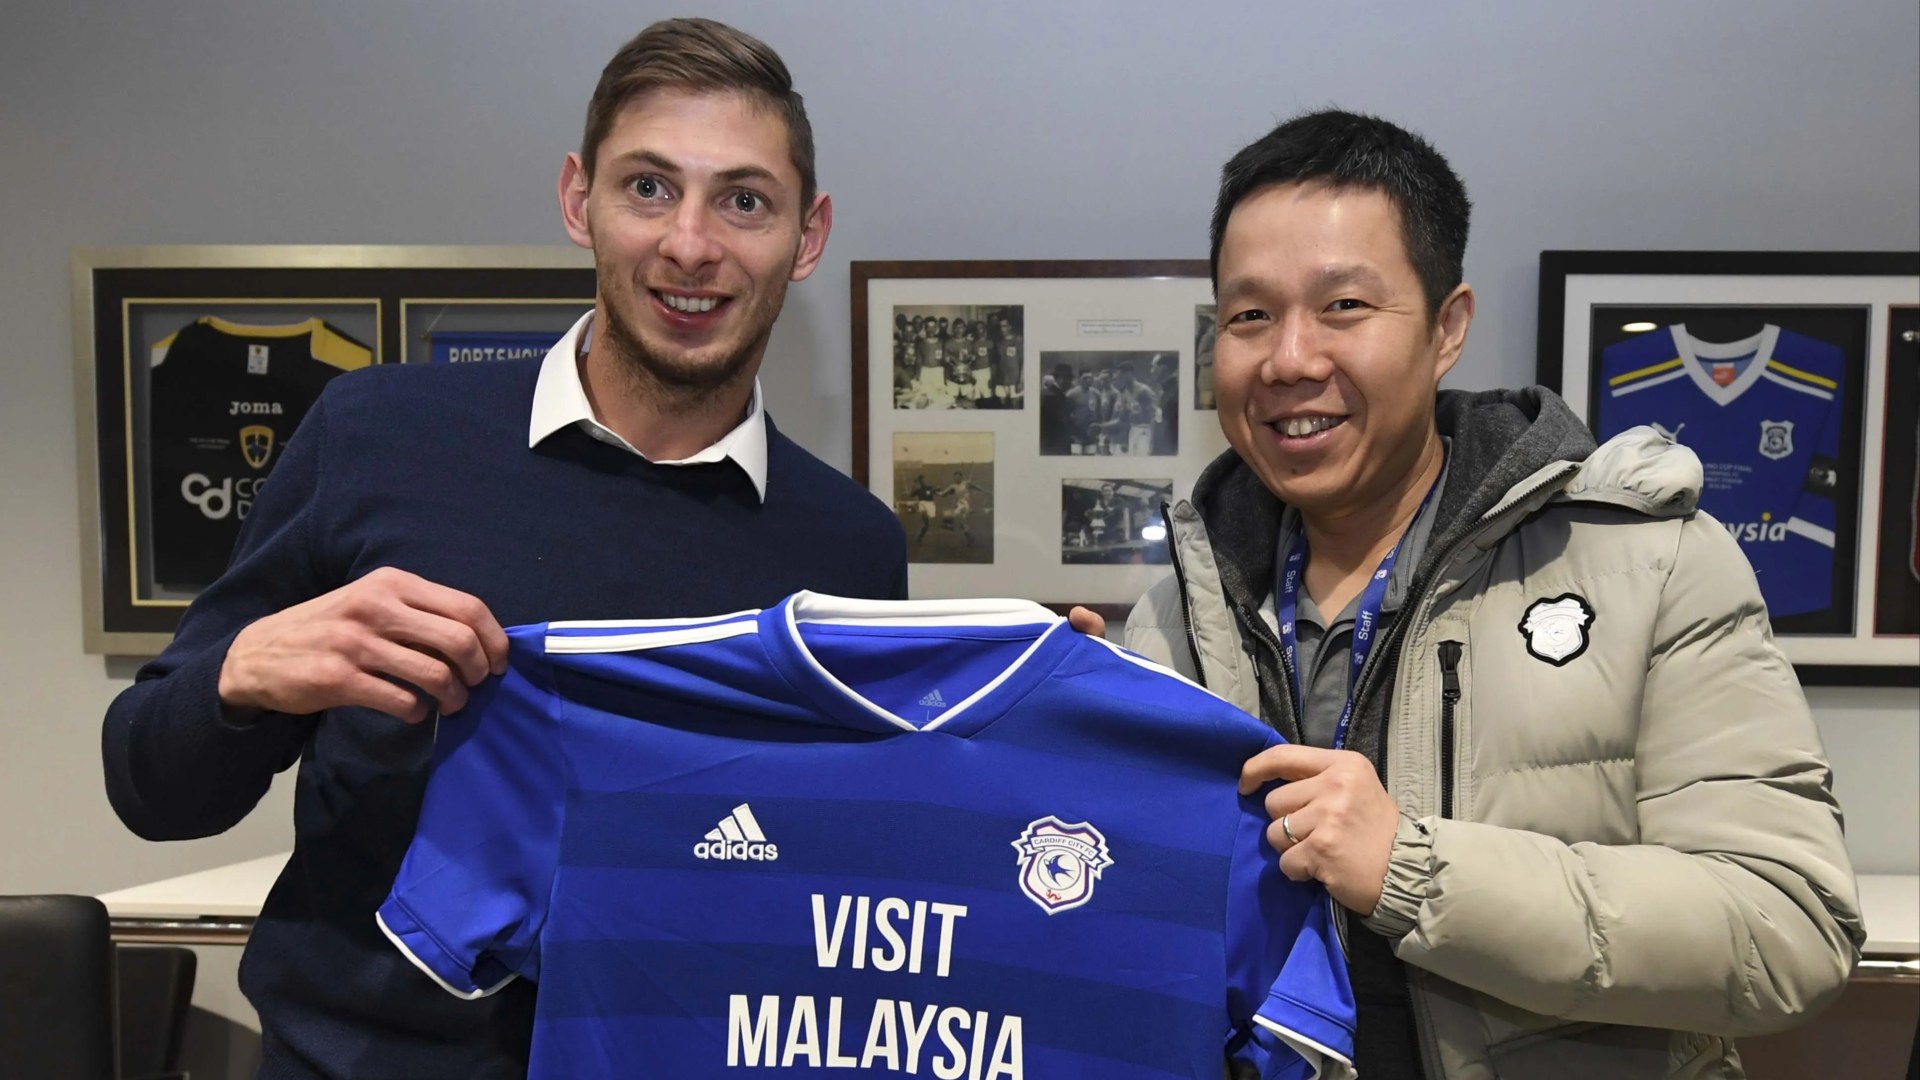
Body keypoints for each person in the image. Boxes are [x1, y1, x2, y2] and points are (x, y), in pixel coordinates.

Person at [100, 18, 906, 1079]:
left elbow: (859, 872)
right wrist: (240, 676)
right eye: (649, 187)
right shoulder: (376, 434)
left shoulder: (853, 549)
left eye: (744, 200)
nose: (691, 244)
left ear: (808, 235)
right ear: (579, 200)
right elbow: (152, 791)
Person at [1082, 109, 1862, 1078]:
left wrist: (1412, 870)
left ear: (1446, 328)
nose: (1288, 358)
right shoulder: (1173, 616)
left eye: (1343, 306)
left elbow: (1788, 929)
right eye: (1249, 316)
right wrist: (1070, 756)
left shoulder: (1652, 564)